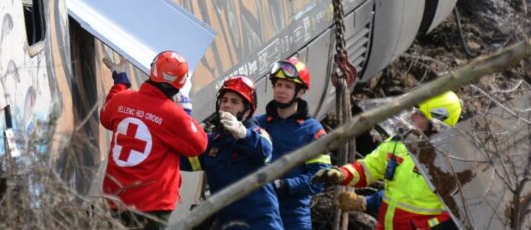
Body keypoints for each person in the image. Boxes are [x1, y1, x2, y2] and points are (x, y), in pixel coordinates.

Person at [312, 91, 463, 230]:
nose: (411, 116)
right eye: (414, 110)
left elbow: (459, 215)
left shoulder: (451, 162)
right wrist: (342, 174)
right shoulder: (397, 143)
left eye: (420, 114)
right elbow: (369, 168)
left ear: (437, 123)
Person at [100, 51, 208, 229]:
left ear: (153, 70)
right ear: (180, 84)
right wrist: (185, 111)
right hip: (152, 204)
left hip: (115, 198)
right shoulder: (173, 116)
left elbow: (106, 116)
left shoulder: (121, 99)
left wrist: (120, 81)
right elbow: (198, 145)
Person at [181, 75, 284, 229]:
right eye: (224, 100)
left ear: (247, 110)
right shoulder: (212, 142)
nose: (227, 105)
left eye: (235, 102)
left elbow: (265, 150)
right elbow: (183, 159)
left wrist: (243, 133)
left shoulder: (256, 133)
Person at [255, 57, 331, 229]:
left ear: (301, 91)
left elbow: (319, 178)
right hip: (261, 212)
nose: (281, 90)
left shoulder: (313, 131)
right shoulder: (258, 124)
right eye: (279, 85)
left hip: (294, 216)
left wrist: (285, 185)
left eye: (288, 86)